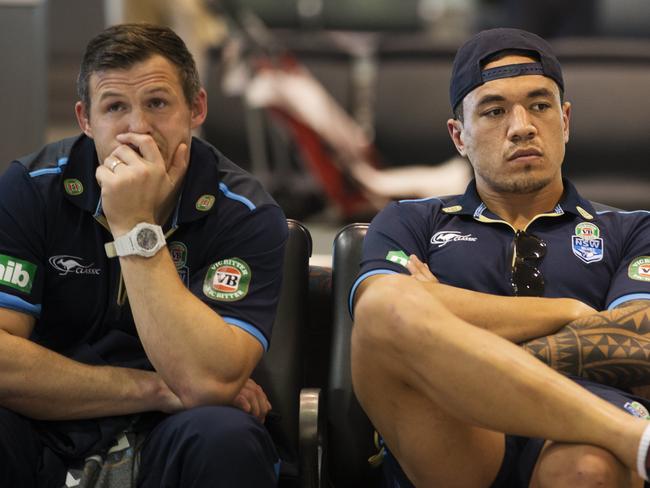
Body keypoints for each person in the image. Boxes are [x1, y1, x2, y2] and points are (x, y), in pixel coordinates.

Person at [350, 27, 650, 487]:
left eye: (540, 106)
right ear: (459, 136)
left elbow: (636, 344)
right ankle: (637, 441)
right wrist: (572, 313)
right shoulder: (410, 221)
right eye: (493, 111)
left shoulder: (632, 230)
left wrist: (445, 328)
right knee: (384, 307)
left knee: (589, 469)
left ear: (565, 121)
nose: (522, 126)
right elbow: (384, 321)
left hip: (580, 421)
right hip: (456, 431)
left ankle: (623, 440)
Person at [0, 23, 287, 487]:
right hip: (51, 422)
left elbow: (206, 385)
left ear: (196, 108)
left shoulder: (246, 212)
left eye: (157, 103)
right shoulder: (30, 189)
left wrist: (135, 228)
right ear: (85, 120)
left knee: (224, 436)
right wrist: (152, 389)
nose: (138, 128)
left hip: (176, 435)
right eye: (115, 107)